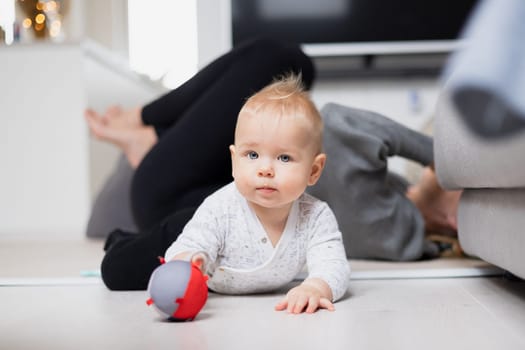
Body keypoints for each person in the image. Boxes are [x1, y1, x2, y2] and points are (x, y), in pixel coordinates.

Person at [86, 38, 460, 292]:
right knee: (267, 131)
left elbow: (340, 122)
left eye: (464, 185)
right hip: (204, 200)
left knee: (284, 58)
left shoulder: (391, 223)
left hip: (172, 197)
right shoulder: (399, 214)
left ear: (453, 220)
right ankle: (151, 139)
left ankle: (145, 122)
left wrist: (446, 161)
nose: (455, 176)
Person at [164, 74, 350, 313]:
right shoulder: (220, 209)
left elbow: (333, 265)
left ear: (313, 171)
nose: (265, 170)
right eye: (252, 155)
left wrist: (315, 287)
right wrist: (188, 262)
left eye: (284, 157)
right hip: (189, 230)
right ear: (234, 160)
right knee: (120, 270)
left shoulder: (315, 216)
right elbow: (190, 243)